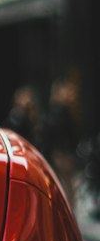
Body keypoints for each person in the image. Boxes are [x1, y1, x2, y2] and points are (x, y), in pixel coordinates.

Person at [39, 76, 80, 204]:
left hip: (62, 155)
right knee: (65, 189)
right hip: (60, 156)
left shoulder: (63, 112)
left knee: (66, 189)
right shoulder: (57, 114)